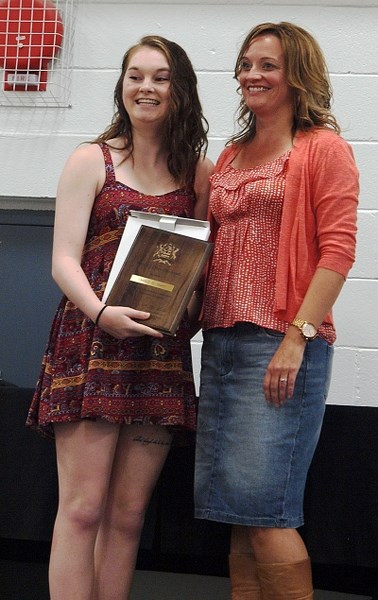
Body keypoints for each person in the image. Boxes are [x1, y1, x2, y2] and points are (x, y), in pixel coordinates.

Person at [26, 35, 213, 600]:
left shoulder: (198, 173)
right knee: (82, 510)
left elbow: (200, 268)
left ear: (179, 90)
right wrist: (102, 312)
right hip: (90, 345)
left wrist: (192, 315)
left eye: (159, 77)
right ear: (122, 85)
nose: (146, 88)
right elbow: (62, 259)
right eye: (135, 75)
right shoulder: (92, 158)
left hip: (158, 356)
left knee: (128, 518)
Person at [194, 21, 358, 600]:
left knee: (269, 512)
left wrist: (297, 337)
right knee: (241, 510)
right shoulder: (232, 154)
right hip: (223, 342)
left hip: (280, 343)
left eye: (267, 65)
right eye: (244, 64)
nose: (251, 75)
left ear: (297, 75)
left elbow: (338, 251)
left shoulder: (323, 149)